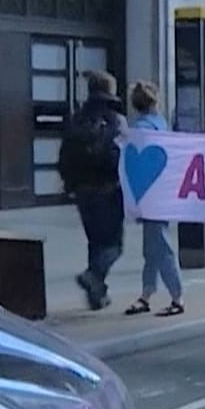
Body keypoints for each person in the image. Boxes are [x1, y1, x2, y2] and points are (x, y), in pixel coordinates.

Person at [57, 70, 126, 311]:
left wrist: (69, 184)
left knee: (95, 242)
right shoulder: (115, 120)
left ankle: (97, 295)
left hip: (82, 191)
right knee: (114, 246)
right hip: (108, 189)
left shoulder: (78, 118)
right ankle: (93, 276)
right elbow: (123, 155)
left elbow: (64, 154)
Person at [124, 80, 185, 317]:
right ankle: (147, 293)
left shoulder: (139, 129)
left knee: (159, 245)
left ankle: (176, 296)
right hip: (163, 192)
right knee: (152, 246)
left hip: (150, 195)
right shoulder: (161, 125)